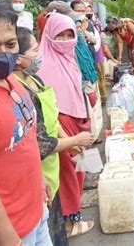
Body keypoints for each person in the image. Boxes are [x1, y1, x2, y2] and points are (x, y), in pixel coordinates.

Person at [13, 27, 95, 244]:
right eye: (34, 50)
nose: (38, 54)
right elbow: (39, 142)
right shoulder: (17, 90)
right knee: (49, 229)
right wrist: (74, 140)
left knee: (54, 225)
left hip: (49, 171)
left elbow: (52, 116)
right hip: (39, 168)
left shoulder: (35, 80)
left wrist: (69, 140)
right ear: (18, 57)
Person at [0, 0, 51, 245]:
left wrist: (38, 178)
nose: (3, 55)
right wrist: (11, 241)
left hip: (36, 216)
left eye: (10, 44)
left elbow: (23, 138)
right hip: (8, 234)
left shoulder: (10, 81)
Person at [37, 12, 95, 238]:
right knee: (69, 171)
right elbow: (48, 108)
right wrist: (67, 136)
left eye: (69, 35)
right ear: (49, 35)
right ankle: (71, 221)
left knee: (81, 167)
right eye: (59, 36)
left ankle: (75, 211)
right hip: (61, 124)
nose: (65, 41)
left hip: (79, 117)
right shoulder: (43, 65)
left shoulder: (70, 57)